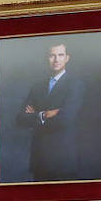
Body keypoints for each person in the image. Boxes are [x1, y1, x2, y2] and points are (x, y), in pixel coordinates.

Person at [14, 42, 85, 181]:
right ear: (47, 58)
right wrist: (44, 114)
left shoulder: (75, 85)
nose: (56, 59)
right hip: (39, 158)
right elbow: (20, 118)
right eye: (52, 55)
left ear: (67, 58)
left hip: (63, 159)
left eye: (60, 55)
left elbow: (66, 119)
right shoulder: (37, 87)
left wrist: (35, 116)